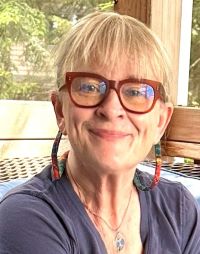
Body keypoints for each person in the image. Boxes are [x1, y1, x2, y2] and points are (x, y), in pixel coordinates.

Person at [0, 11, 200, 254]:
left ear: (161, 121)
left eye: (136, 92)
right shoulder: (24, 218)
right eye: (90, 87)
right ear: (60, 110)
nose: (111, 108)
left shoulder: (180, 210)